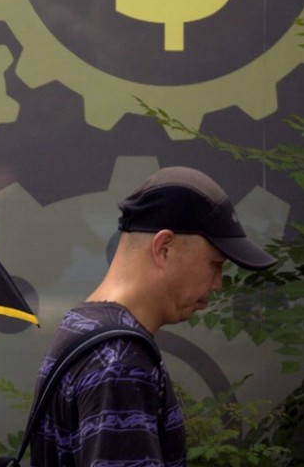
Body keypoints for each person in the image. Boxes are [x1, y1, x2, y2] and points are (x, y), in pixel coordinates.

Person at [30, 166, 277, 466]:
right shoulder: (119, 359)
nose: (218, 283)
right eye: (215, 264)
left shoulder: (82, 326)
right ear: (164, 249)